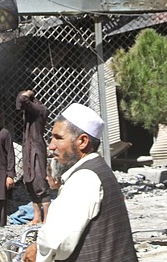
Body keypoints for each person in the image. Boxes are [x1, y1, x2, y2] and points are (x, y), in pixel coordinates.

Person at [23, 103, 138, 262]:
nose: (51, 146)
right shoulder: (98, 169)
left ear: (82, 141)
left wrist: (38, 250)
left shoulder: (84, 178)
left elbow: (56, 240)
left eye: (58, 138)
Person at [16, 88, 51, 224]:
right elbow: (19, 104)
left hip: (36, 148)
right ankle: (37, 216)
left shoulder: (40, 109)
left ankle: (47, 217)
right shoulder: (30, 112)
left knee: (39, 181)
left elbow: (22, 100)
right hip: (28, 149)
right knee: (29, 182)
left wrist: (28, 93)